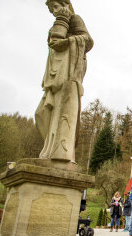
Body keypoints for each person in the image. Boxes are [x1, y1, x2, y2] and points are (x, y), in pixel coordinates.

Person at [36, 0, 93, 162]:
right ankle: (49, 150)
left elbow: (88, 41)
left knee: (64, 113)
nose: (54, 10)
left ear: (65, 4)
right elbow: (53, 44)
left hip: (70, 74)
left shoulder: (75, 19)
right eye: (51, 8)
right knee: (41, 114)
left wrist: (67, 42)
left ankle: (61, 153)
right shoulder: (58, 23)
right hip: (56, 73)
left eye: (55, 6)